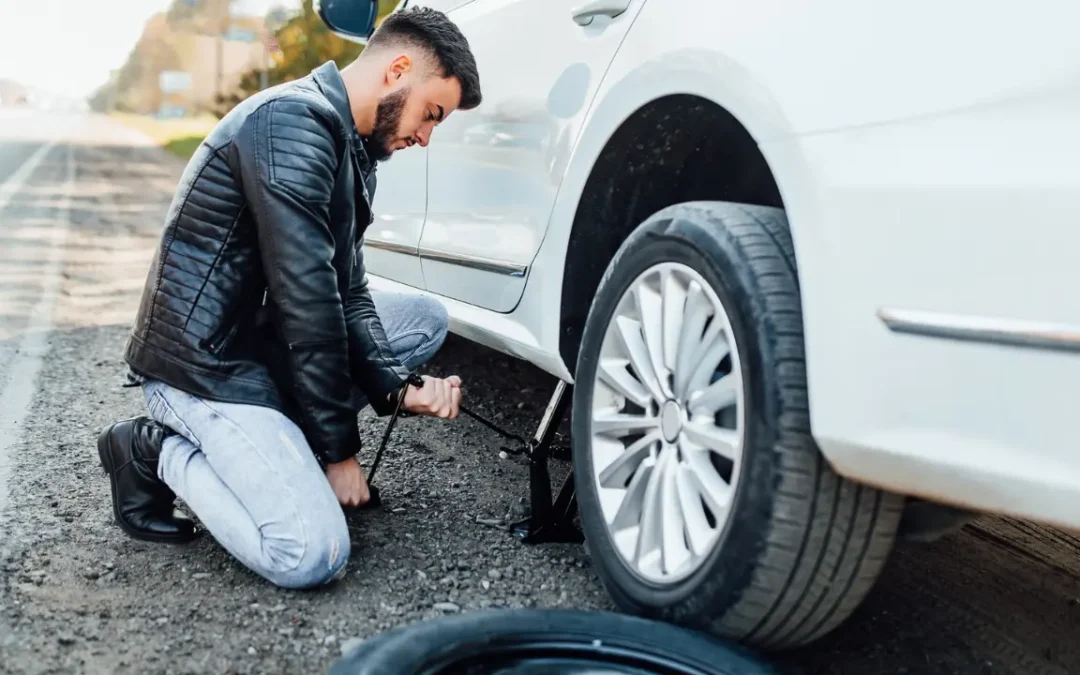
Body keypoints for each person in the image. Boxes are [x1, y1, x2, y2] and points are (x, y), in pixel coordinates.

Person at [96, 6, 482, 590]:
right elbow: (310, 303)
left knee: (424, 319)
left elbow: (348, 292)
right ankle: (152, 450)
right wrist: (339, 454)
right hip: (204, 368)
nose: (425, 137)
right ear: (398, 68)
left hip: (259, 345)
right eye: (431, 114)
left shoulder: (354, 148)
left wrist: (398, 387)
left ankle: (278, 446)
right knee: (310, 553)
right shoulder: (290, 125)